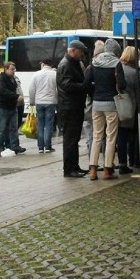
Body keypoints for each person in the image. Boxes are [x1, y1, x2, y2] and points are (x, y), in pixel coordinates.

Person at [83, 39, 122, 180]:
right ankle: (107, 170)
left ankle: (93, 170)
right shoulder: (117, 63)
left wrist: (95, 93)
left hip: (97, 103)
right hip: (111, 103)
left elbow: (87, 83)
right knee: (111, 137)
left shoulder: (94, 63)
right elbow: (122, 84)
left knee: (96, 136)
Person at [57, 40, 90, 178]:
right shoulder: (66, 64)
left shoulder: (72, 63)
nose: (82, 54)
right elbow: (66, 85)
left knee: (74, 138)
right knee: (70, 139)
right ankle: (69, 169)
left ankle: (74, 166)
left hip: (74, 106)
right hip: (69, 107)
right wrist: (83, 86)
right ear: (73, 50)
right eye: (80, 51)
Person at [115, 46, 140, 174]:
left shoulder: (116, 68)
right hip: (128, 107)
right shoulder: (135, 73)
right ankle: (124, 163)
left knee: (115, 136)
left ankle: (115, 163)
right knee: (125, 136)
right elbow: (138, 93)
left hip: (115, 106)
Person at [0, 61, 26, 155]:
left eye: (14, 69)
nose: (13, 71)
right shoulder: (0, 79)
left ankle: (14, 146)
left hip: (12, 106)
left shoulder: (13, 79)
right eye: (12, 69)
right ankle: (0, 147)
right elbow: (3, 91)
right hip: (2, 107)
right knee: (2, 129)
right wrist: (16, 96)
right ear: (6, 68)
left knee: (14, 127)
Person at [28, 59, 58, 153]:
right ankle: (48, 147)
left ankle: (40, 147)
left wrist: (32, 102)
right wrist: (56, 100)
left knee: (40, 124)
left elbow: (31, 89)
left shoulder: (36, 74)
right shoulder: (54, 74)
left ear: (43, 64)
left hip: (39, 102)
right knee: (49, 125)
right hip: (50, 102)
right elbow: (58, 89)